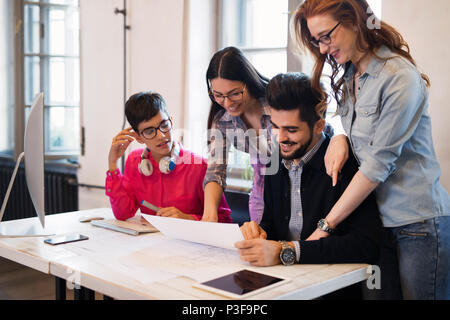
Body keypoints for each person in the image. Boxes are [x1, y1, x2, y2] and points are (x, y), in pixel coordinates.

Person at [292, 0, 450, 299]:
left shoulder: (398, 77)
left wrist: (325, 226)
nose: (323, 48)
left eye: (327, 36)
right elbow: (357, 130)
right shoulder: (352, 74)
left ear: (353, 20)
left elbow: (377, 165)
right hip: (377, 221)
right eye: (317, 41)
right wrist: (339, 136)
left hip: (418, 223)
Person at [236, 73, 382, 278]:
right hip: (287, 280)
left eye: (292, 130)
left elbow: (366, 244)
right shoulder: (275, 162)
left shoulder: (344, 162)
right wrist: (261, 232)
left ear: (319, 126)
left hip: (330, 285)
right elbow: (272, 223)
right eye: (276, 126)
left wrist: (287, 252)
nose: (281, 138)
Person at [202, 47, 340, 224]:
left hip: (304, 188)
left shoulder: (277, 102)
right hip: (263, 194)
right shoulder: (223, 121)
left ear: (248, 81)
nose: (227, 103)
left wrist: (340, 140)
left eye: (234, 93)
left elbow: (321, 131)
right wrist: (210, 213)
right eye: (218, 95)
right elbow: (215, 170)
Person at [106, 91, 231, 222]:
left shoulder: (198, 166)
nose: (161, 136)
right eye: (149, 131)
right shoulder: (134, 161)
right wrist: (112, 163)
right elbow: (123, 213)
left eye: (164, 125)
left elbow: (224, 220)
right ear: (138, 137)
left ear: (171, 121)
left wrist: (188, 218)